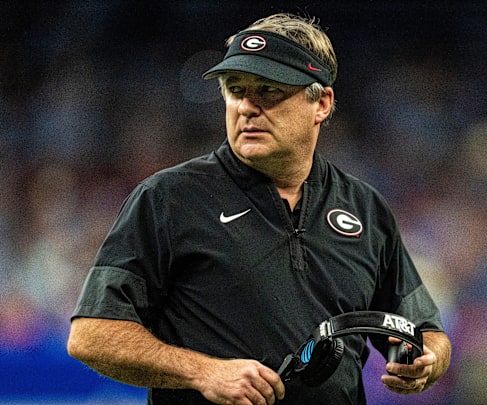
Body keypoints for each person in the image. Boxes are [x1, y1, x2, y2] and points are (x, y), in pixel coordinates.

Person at [66, 12, 451, 405]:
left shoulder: (366, 209)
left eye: (269, 91)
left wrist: (425, 360)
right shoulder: (168, 199)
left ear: (321, 103)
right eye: (235, 89)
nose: (247, 107)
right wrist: (204, 371)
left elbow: (424, 331)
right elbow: (92, 334)